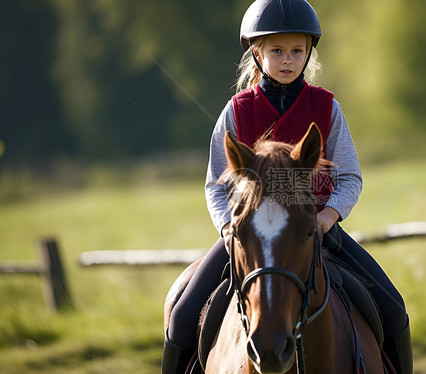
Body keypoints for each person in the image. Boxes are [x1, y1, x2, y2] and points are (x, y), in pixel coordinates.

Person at [162, 0, 413, 373]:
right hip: (249, 236)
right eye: (277, 50)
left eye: (297, 50)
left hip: (314, 232)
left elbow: (349, 177)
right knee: (183, 316)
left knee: (393, 311)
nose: (287, 59)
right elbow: (216, 184)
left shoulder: (328, 108)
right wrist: (229, 228)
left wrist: (328, 216)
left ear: (309, 52)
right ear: (257, 54)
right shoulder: (236, 110)